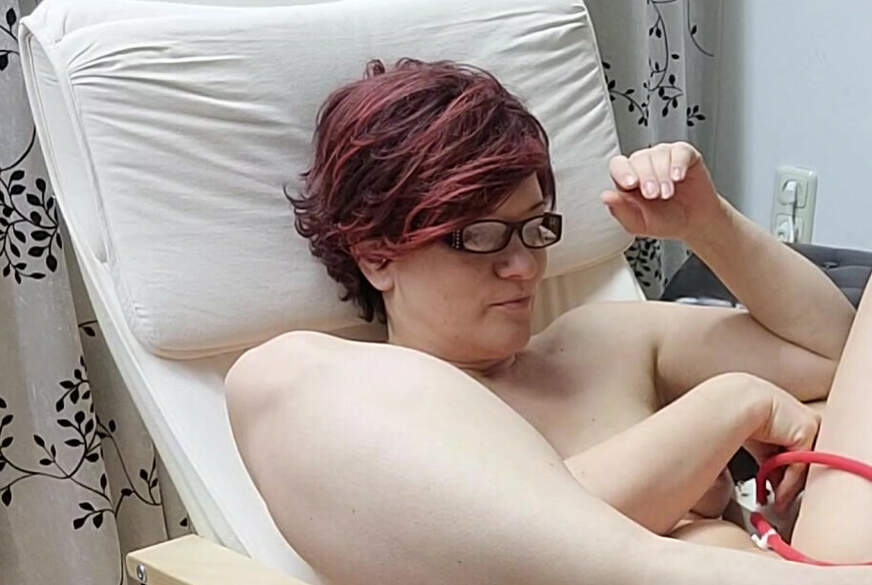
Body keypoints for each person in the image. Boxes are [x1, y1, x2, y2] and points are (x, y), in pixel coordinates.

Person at [225, 58, 872, 584]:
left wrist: (709, 225)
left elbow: (837, 360)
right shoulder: (358, 411)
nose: (523, 267)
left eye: (535, 228)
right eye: (480, 236)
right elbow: (514, 543)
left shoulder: (601, 340)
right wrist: (730, 404)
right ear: (376, 256)